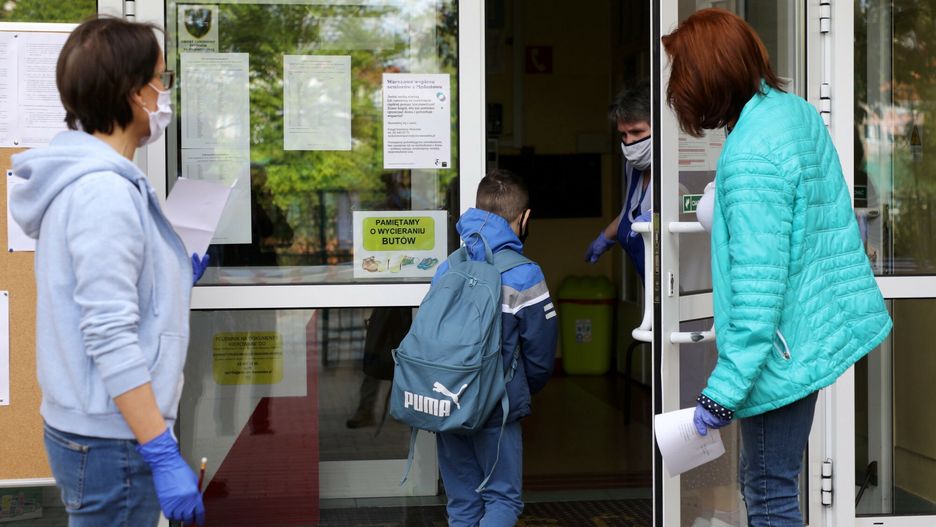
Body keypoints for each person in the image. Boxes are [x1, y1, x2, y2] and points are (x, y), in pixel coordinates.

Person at [662, 9, 892, 527]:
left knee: (768, 493)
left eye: (682, 72)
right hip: (809, 329)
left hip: (779, 349)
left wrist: (720, 396)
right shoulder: (793, 113)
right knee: (769, 482)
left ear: (710, 74)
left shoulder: (750, 155)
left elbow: (757, 293)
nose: (677, 87)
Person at [10, 17, 207, 526]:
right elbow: (109, 334)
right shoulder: (104, 193)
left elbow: (96, 295)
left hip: (97, 430)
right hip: (113, 439)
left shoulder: (87, 181)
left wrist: (169, 279)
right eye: (161, 79)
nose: (165, 93)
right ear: (135, 92)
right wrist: (160, 450)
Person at [433, 169, 558, 526]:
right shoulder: (525, 274)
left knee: (462, 503)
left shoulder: (449, 267)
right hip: (495, 405)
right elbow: (540, 354)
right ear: (524, 218)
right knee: (502, 500)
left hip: (448, 399)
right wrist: (521, 391)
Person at [584, 81, 653, 279]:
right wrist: (605, 237)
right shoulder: (633, 166)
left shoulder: (673, 170)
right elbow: (629, 214)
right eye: (623, 134)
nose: (629, 142)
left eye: (637, 132)